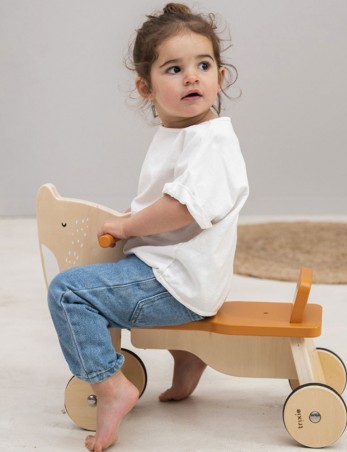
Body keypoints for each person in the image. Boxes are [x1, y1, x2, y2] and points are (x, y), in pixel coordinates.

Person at [47, 3, 249, 451]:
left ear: (220, 76)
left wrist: (127, 226)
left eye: (203, 66)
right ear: (146, 87)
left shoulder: (210, 142)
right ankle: (188, 357)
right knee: (115, 266)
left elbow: (180, 209)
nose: (192, 77)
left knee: (68, 291)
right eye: (175, 69)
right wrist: (133, 220)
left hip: (175, 283)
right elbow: (164, 203)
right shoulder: (184, 135)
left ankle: (110, 386)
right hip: (183, 275)